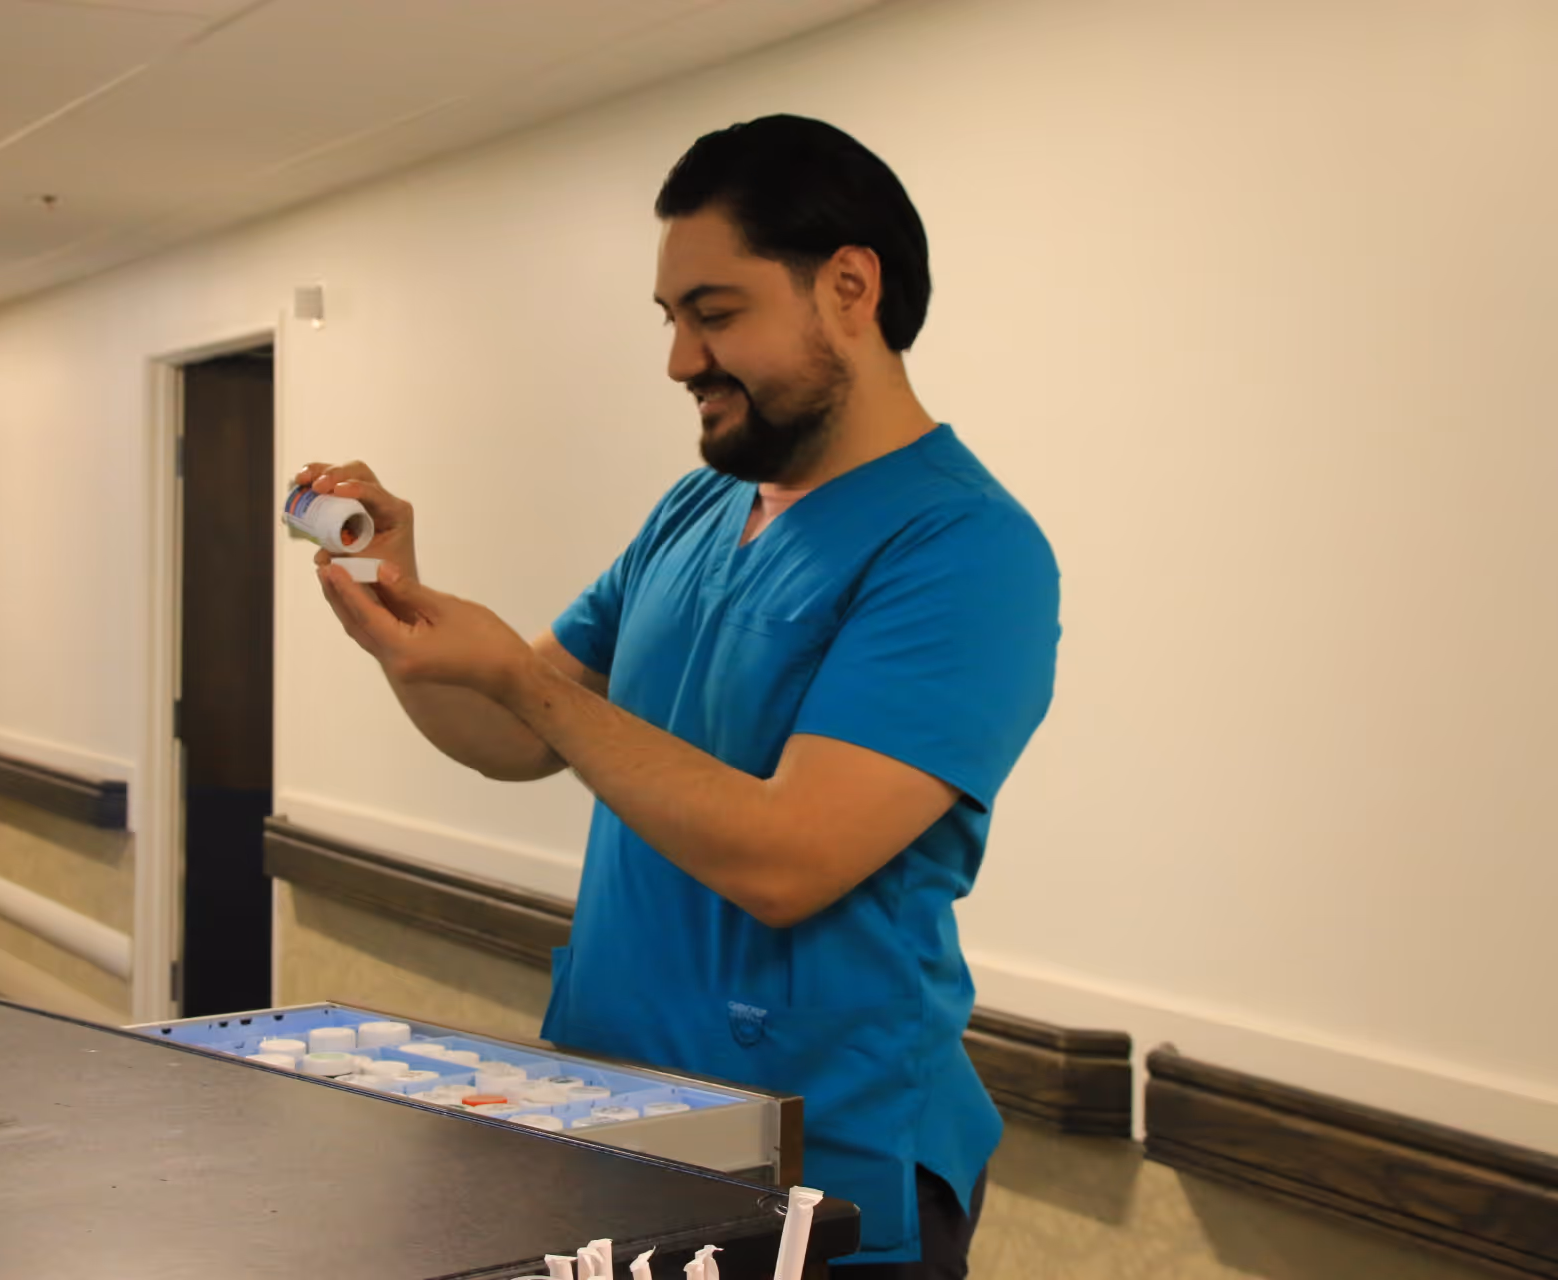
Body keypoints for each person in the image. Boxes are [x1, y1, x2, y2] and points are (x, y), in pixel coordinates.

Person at [303, 115, 1060, 1277]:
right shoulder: (696, 512)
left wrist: (514, 669)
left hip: (824, 1163)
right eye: (671, 320)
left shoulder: (964, 550)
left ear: (849, 287)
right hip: (608, 1118)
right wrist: (398, 620)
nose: (680, 360)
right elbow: (519, 733)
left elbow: (788, 856)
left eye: (715, 314)